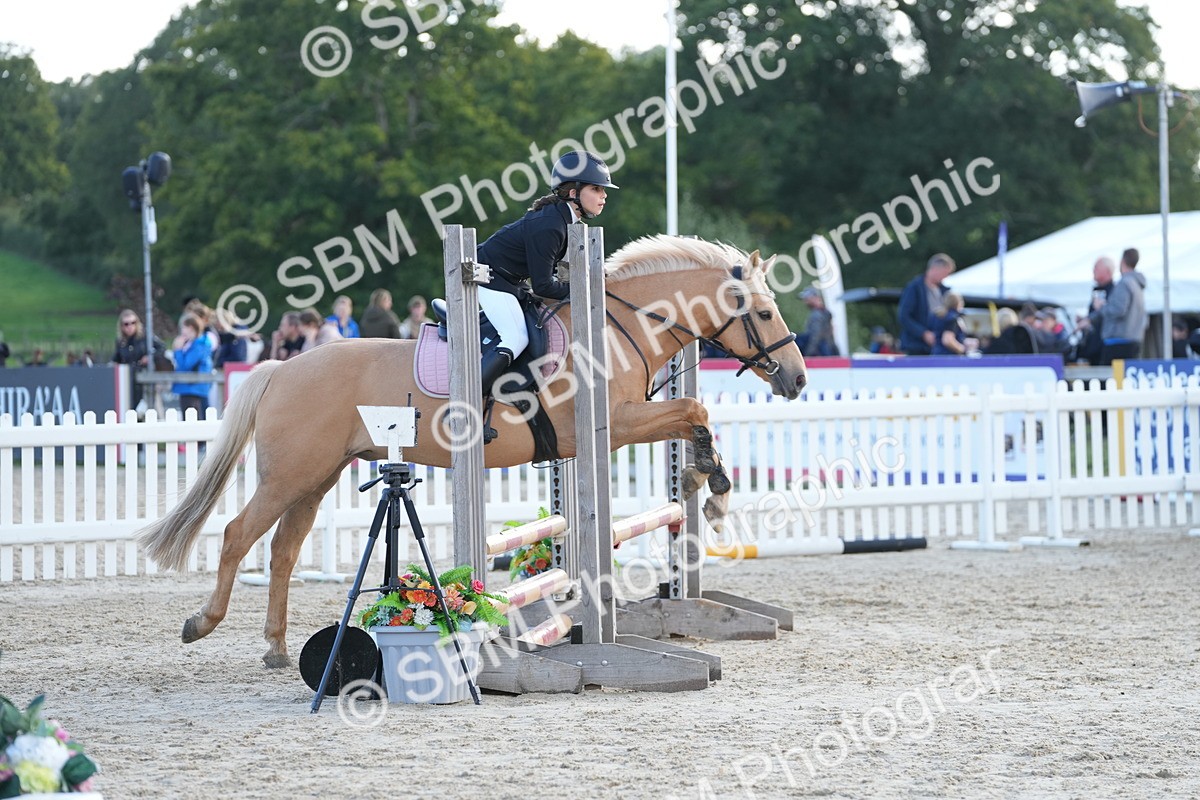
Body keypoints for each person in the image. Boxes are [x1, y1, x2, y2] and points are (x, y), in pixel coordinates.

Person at [474, 149, 617, 392]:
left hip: (511, 281)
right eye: (596, 189)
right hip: (489, 278)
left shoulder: (567, 221)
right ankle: (470, 397)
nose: (603, 196)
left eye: (602, 190)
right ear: (573, 193)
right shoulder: (551, 226)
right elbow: (543, 286)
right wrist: (584, 288)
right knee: (516, 338)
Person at [1095, 247, 1147, 365]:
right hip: (1134, 339)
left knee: (1111, 381)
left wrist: (1101, 307)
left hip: (1117, 343)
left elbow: (1118, 310)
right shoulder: (1137, 284)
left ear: (1122, 261)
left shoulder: (1124, 283)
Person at [897, 253, 954, 355]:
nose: (945, 277)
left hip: (937, 347)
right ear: (934, 269)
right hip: (915, 346)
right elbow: (904, 316)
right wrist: (923, 333)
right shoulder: (914, 288)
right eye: (944, 273)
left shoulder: (944, 291)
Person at [1072, 257, 1115, 364]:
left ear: (1107, 271)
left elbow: (1111, 314)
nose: (1093, 270)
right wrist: (1085, 320)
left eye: (1096, 268)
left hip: (1104, 345)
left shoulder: (1115, 292)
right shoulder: (1096, 290)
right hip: (1091, 345)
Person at [171, 314, 213, 419]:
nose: (182, 332)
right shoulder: (198, 344)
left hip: (192, 389)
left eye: (183, 328)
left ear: (190, 327)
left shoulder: (199, 345)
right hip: (193, 388)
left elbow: (185, 365)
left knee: (192, 422)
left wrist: (178, 350)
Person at [795, 287, 837, 356]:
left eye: (807, 299)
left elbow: (815, 336)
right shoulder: (825, 312)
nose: (805, 302)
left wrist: (808, 353)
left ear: (815, 298)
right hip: (827, 348)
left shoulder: (817, 315)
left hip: (819, 351)